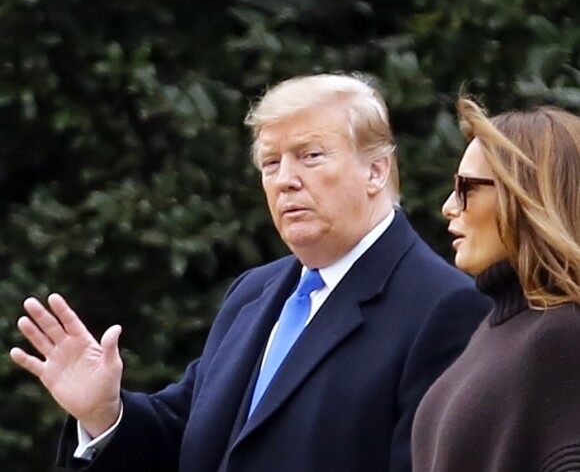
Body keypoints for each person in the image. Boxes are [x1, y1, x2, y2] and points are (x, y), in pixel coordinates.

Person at [10, 74, 490, 472]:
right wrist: (104, 413)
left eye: (311, 155)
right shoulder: (254, 291)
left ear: (376, 171)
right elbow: (187, 440)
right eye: (270, 163)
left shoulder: (445, 307)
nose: (285, 179)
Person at [412, 97, 580, 471]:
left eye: (466, 187)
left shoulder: (562, 336)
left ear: (529, 194)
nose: (448, 206)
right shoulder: (500, 328)